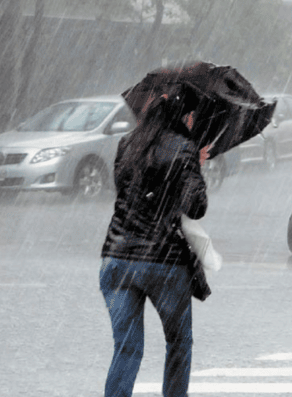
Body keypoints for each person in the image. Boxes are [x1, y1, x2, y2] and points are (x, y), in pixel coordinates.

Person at [99, 83, 209, 397]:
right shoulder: (183, 149)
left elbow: (126, 190)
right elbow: (196, 207)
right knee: (178, 343)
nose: (193, 123)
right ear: (184, 116)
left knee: (127, 349)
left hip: (117, 258)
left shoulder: (127, 143)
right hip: (162, 262)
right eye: (192, 116)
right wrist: (195, 168)